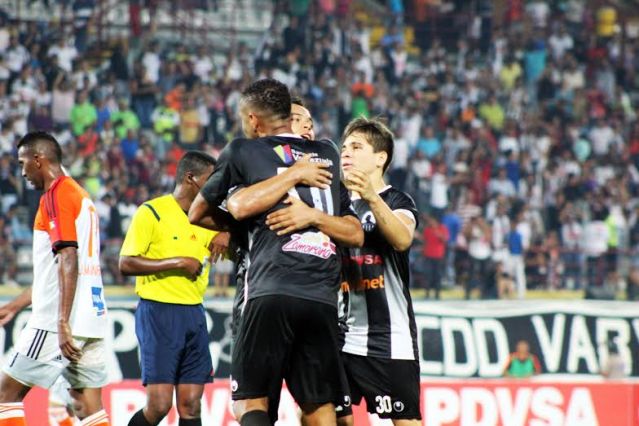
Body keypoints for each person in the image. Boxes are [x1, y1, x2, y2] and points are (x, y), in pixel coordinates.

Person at [188, 78, 363, 426]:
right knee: (318, 405)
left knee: (249, 401)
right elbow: (355, 232)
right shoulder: (327, 153)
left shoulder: (243, 150)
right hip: (322, 299)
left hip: (270, 289)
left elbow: (209, 210)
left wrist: (287, 180)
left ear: (253, 120)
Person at [311, 117, 421, 426]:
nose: (345, 153)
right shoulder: (336, 204)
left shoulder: (398, 200)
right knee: (316, 416)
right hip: (344, 336)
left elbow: (401, 239)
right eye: (344, 147)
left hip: (390, 339)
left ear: (380, 158)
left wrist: (371, 197)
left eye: (356, 147)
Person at [0, 131, 110, 426]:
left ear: (39, 160)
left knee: (4, 396)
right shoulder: (80, 195)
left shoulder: (55, 195)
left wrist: (61, 321)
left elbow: (68, 258)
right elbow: (55, 271)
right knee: (87, 407)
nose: (22, 172)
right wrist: (15, 305)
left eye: (23, 163)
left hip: (57, 320)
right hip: (91, 316)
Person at [119, 151, 227, 426]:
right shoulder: (152, 212)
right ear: (191, 178)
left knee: (191, 405)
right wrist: (178, 262)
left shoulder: (209, 218)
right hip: (158, 312)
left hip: (194, 313)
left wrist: (229, 233)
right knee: (159, 405)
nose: (216, 187)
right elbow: (126, 263)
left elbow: (240, 246)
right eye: (210, 180)